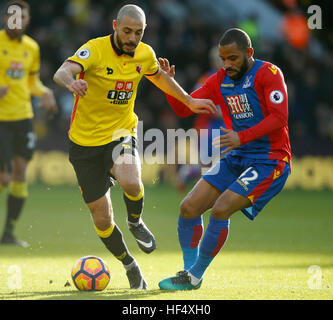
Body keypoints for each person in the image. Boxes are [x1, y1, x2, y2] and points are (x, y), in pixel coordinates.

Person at [53, 4, 216, 290]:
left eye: (138, 33)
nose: (132, 38)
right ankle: (129, 264)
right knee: (102, 218)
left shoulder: (145, 53)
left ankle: (135, 221)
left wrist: (189, 100)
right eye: (127, 31)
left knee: (131, 179)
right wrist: (71, 84)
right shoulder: (94, 49)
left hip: (120, 132)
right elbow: (62, 72)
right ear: (115, 26)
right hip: (84, 143)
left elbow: (159, 76)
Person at [158, 28, 291, 290]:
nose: (227, 64)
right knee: (189, 207)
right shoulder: (219, 80)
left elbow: (280, 117)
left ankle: (194, 276)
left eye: (233, 58)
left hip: (270, 159)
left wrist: (242, 137)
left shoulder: (269, 74)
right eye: (223, 59)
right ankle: (188, 271)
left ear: (249, 53)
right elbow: (185, 108)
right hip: (238, 155)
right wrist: (168, 87)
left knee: (220, 208)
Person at [0, 0, 58, 247]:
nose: (17, 21)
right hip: (1, 119)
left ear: (27, 20)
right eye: (12, 17)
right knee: (3, 178)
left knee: (21, 173)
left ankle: (9, 233)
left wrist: (45, 92)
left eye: (21, 17)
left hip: (23, 117)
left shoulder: (32, 48)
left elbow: (32, 82)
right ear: (5, 18)